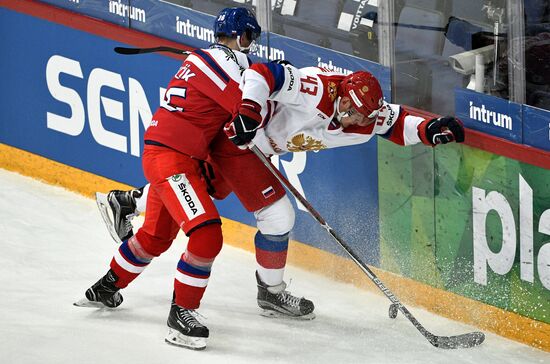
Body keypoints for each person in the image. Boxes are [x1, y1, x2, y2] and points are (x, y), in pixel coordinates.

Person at [94, 59, 464, 346]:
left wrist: (430, 130)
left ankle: (129, 201)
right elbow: (261, 73)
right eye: (351, 113)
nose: (355, 122)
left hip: (256, 151)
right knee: (275, 216)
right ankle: (269, 294)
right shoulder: (316, 88)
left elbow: (395, 121)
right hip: (240, 142)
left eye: (362, 117)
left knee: (197, 193)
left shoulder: (363, 114)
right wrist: (250, 113)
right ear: (340, 98)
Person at [77, 7, 316, 351]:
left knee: (155, 237)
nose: (250, 45)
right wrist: (283, 79)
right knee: (206, 236)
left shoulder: (209, 60)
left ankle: (106, 286)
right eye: (250, 37)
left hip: (181, 157)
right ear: (242, 36)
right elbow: (249, 112)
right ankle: (182, 314)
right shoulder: (228, 64)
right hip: (172, 159)